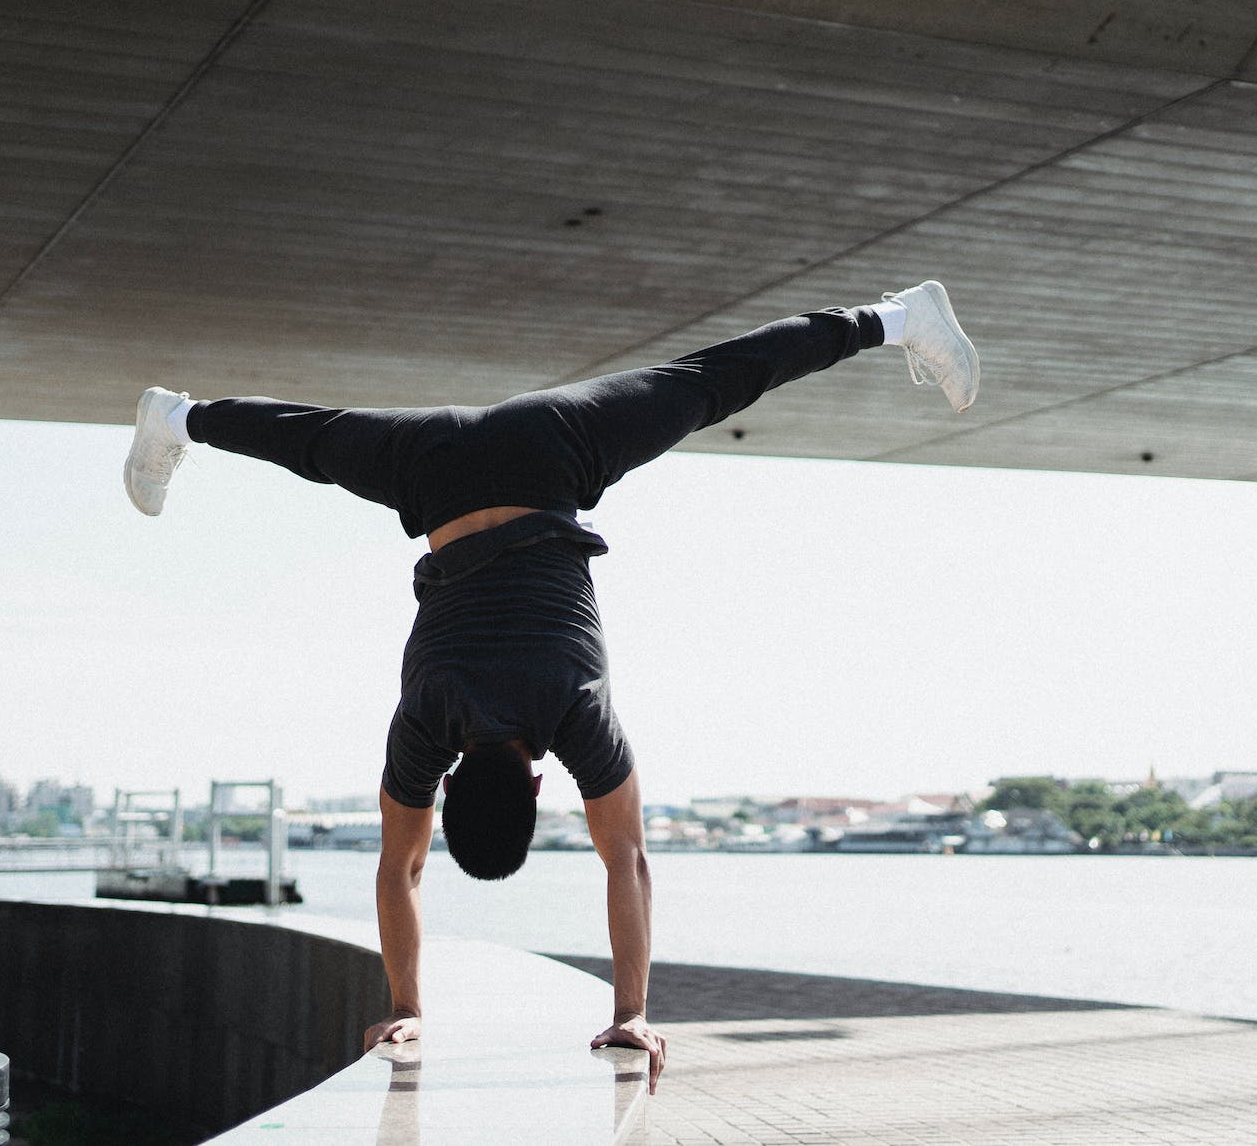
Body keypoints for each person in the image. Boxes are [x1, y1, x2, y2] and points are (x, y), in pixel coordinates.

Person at [122, 281, 979, 1093]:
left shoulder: (577, 712)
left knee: (715, 382)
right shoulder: (427, 722)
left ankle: (897, 317)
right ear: (456, 783)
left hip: (551, 452)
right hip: (436, 461)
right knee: (309, 439)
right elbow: (402, 867)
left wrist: (632, 1014)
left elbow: (627, 861)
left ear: (541, 785)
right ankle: (181, 415)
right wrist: (404, 1011)